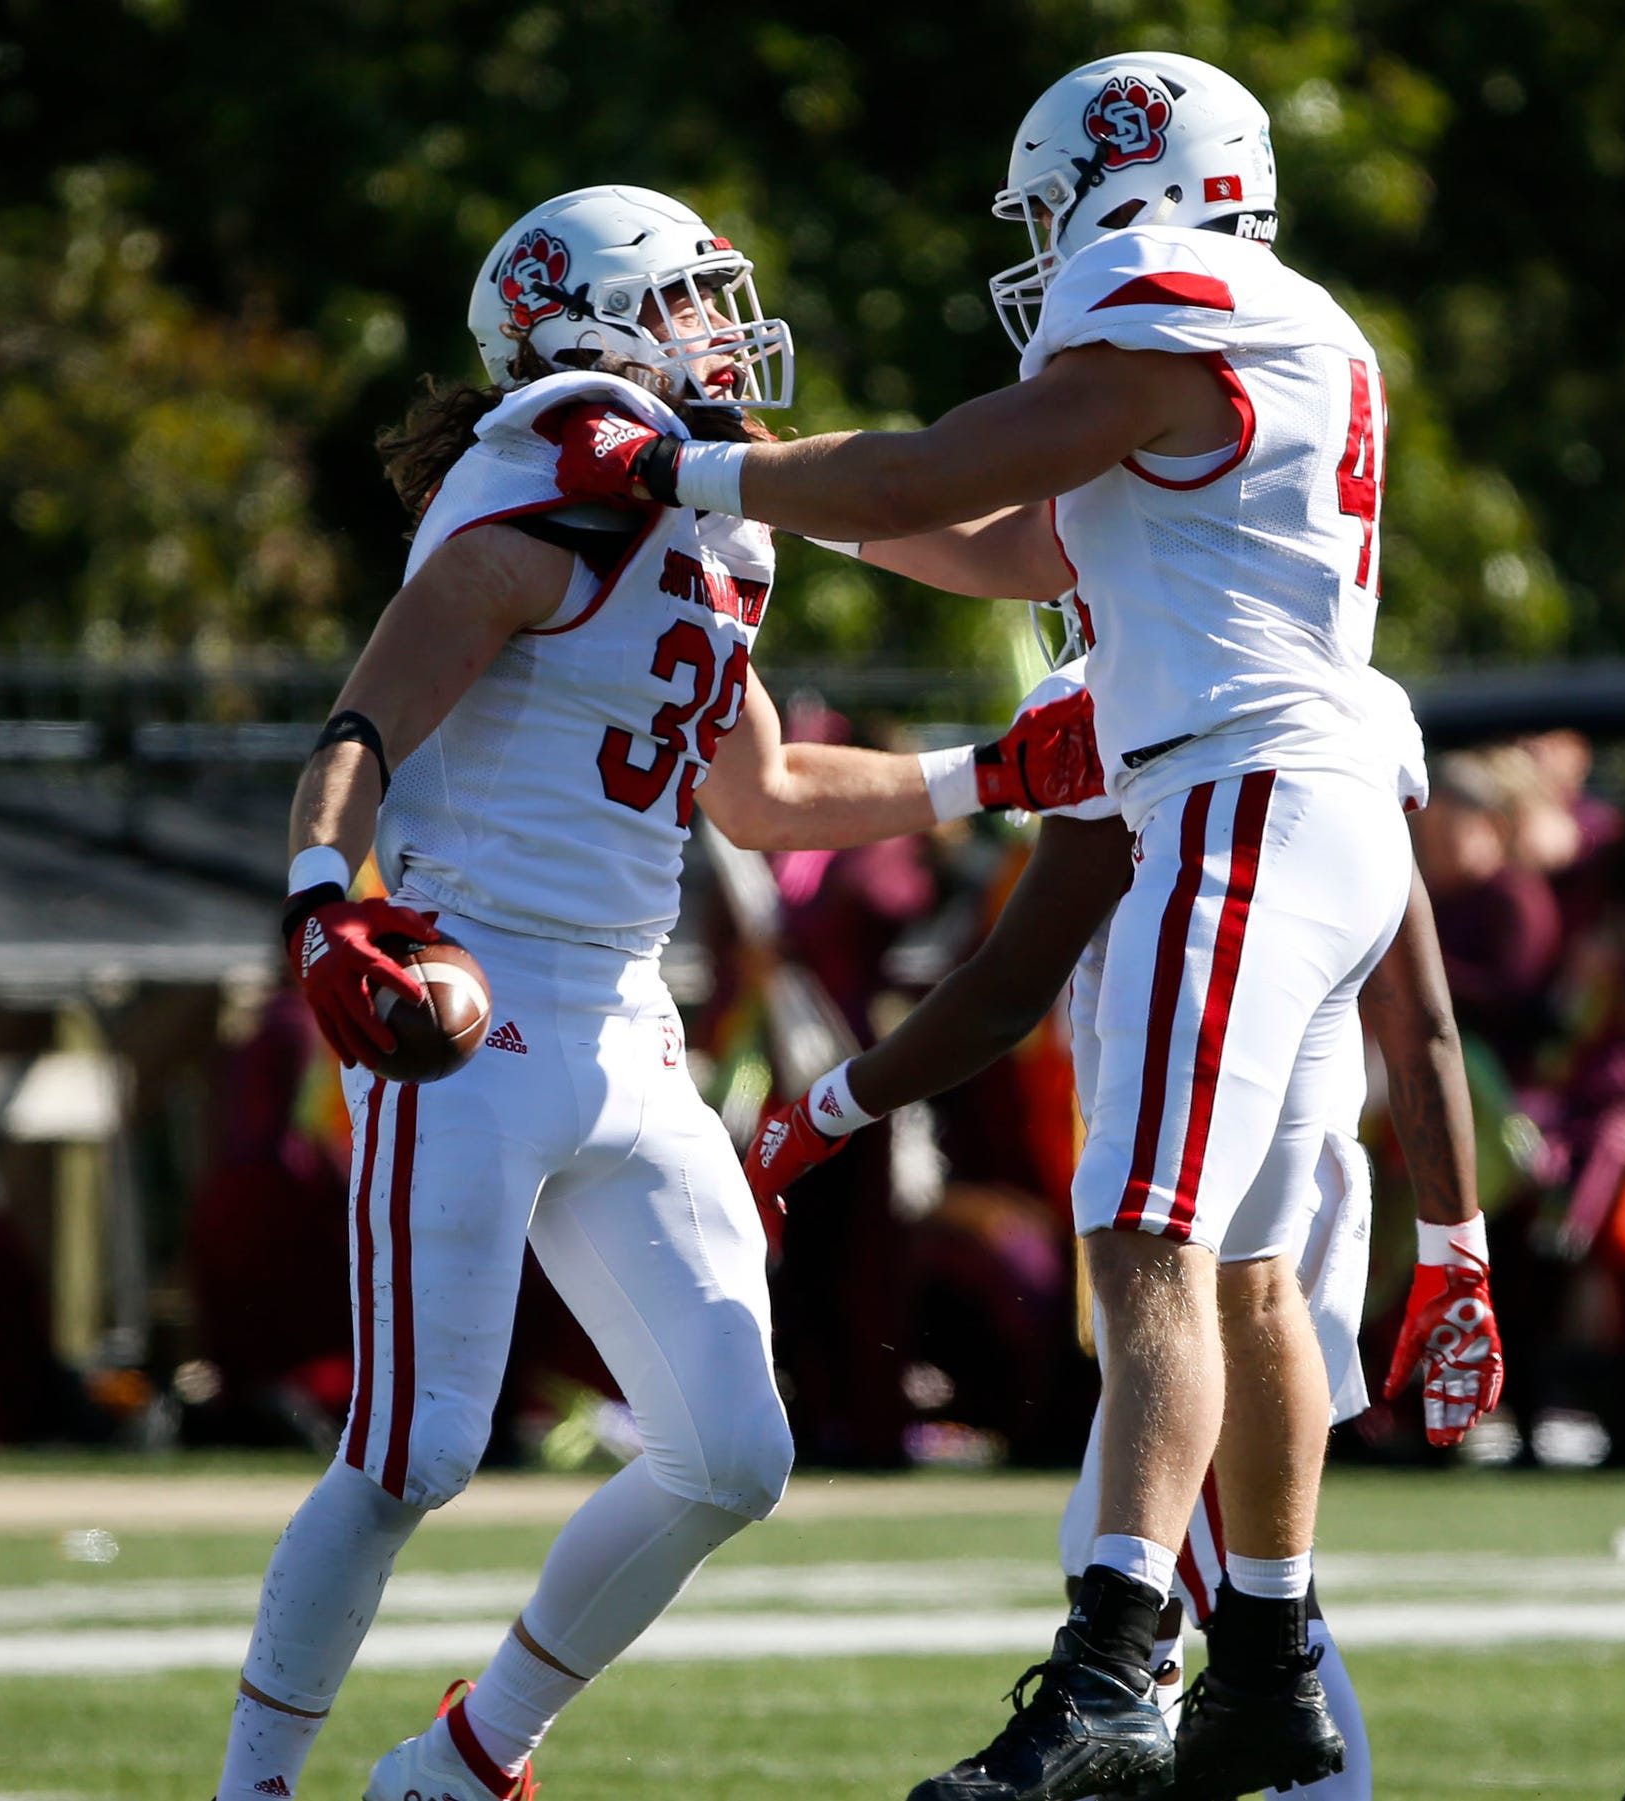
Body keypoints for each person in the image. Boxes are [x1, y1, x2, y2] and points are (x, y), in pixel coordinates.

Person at [547, 52, 1409, 1801]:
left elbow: (931, 476)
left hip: (1237, 793)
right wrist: (810, 497)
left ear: (1127, 180)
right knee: (1241, 1270)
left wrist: (705, 466)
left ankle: (1113, 1672)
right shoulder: (1279, 330)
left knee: (1144, 1233)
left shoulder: (1178, 297)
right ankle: (1270, 1659)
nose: (1044, 250)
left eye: (1049, 208)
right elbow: (1017, 536)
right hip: (1302, 802)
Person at [213, 184, 1099, 1801]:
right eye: (687, 299)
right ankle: (252, 1787)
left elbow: (762, 796)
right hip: (472, 1004)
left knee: (736, 1454)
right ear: (589, 327)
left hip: (628, 1018)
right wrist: (321, 899)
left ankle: (465, 1759)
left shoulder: (698, 509)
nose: (722, 329)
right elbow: (364, 725)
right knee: (414, 1451)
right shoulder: (556, 461)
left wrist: (996, 771)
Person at [747, 650, 1500, 1801]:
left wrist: (825, 1106)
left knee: (1209, 1586)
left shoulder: (1126, 687)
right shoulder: (1360, 699)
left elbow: (1008, 983)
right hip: (1288, 1209)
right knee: (1213, 1587)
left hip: (1197, 1215)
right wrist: (1457, 1248)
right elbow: (1422, 1018)